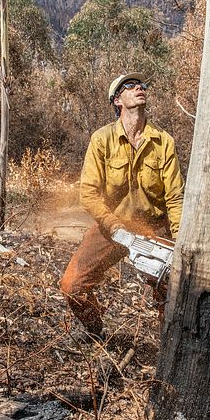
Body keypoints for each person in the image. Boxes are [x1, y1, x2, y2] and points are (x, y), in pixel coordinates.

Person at [59, 73, 184, 339]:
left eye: (142, 85)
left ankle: (168, 353)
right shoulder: (101, 139)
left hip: (153, 228)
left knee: (172, 294)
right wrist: (114, 226)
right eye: (130, 86)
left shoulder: (164, 142)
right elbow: (89, 193)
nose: (139, 88)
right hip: (112, 226)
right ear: (117, 100)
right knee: (72, 285)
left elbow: (174, 198)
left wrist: (180, 242)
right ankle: (95, 331)